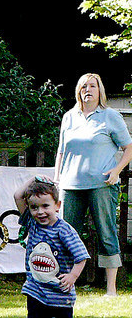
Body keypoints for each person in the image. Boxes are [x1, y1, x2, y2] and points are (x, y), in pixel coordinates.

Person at [54, 73, 132, 297]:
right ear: (78, 91)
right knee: (67, 235)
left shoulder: (110, 116)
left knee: (106, 234)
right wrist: (57, 181)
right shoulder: (69, 117)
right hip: (70, 186)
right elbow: (61, 152)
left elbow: (129, 148)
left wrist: (116, 171)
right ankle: (67, 285)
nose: (88, 90)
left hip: (102, 185)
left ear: (100, 91)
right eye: (83, 86)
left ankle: (111, 289)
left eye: (92, 86)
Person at [14, 176, 91, 318]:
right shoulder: (31, 224)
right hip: (36, 289)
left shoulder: (64, 231)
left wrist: (72, 276)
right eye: (34, 207)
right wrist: (32, 179)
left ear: (57, 205)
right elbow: (17, 195)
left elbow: (81, 256)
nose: (40, 212)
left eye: (45, 206)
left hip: (59, 293)